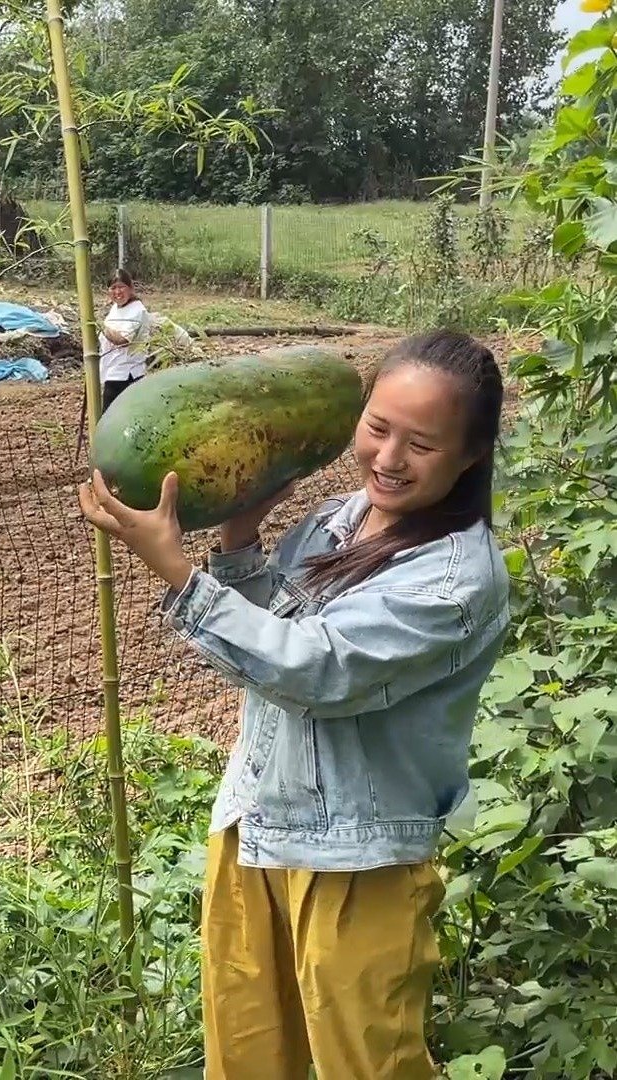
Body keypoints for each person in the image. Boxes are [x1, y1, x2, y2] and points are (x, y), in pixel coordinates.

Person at [77, 330, 509, 1079]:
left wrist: (181, 575)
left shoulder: (454, 580)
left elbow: (315, 672)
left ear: (470, 455)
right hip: (257, 823)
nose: (388, 457)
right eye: (377, 428)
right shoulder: (341, 519)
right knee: (244, 1059)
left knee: (367, 1067)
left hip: (359, 859)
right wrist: (240, 541)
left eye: (422, 445)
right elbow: (265, 644)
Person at [98, 268, 149, 413]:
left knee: (116, 417)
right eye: (113, 288)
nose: (117, 292)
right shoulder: (115, 308)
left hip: (127, 375)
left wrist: (98, 325)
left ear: (131, 288)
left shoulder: (137, 310)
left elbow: (122, 340)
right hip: (113, 372)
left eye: (121, 287)